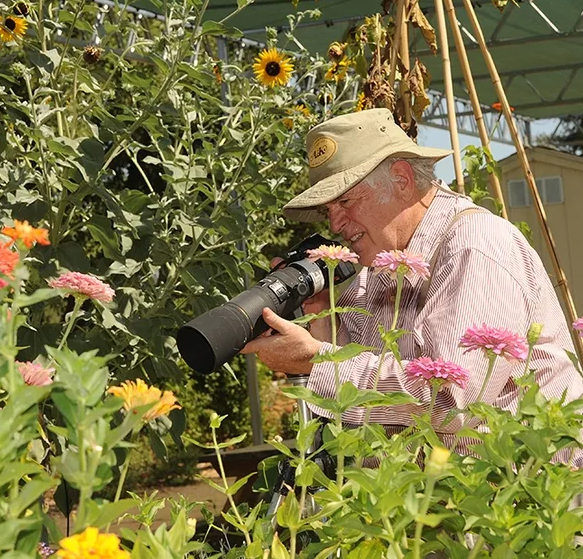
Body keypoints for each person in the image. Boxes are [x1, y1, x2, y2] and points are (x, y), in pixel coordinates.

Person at [241, 108, 583, 447]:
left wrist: (315, 362)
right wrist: (320, 315)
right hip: (433, 496)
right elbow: (364, 391)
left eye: (345, 200)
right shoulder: (379, 267)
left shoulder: (473, 243)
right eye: (328, 211)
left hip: (515, 493)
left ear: (402, 179)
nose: (334, 225)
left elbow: (450, 399)